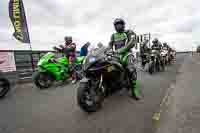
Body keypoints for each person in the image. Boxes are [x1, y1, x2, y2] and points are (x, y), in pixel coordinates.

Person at [108, 18, 141, 100]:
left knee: (131, 69)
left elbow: (132, 42)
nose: (118, 26)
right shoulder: (113, 35)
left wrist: (122, 50)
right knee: (109, 68)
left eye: (120, 24)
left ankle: (134, 90)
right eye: (116, 24)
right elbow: (110, 45)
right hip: (116, 55)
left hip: (127, 54)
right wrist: (107, 50)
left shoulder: (129, 32)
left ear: (123, 25)